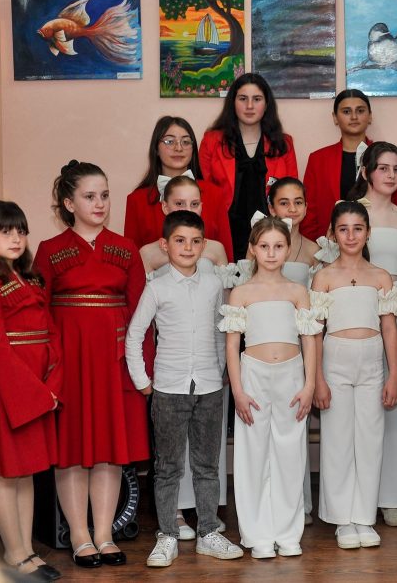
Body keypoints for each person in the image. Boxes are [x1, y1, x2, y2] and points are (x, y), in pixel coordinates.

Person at [34, 161, 149, 568]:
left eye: (104, 195)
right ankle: (80, 536)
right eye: (89, 196)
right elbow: (38, 314)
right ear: (69, 203)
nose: (99, 203)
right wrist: (47, 368)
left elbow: (141, 313)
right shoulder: (49, 250)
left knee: (110, 449)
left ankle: (104, 534)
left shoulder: (126, 248)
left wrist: (141, 369)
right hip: (69, 362)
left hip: (113, 360)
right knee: (71, 447)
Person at [124, 210, 243, 567]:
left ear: (203, 245)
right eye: (180, 241)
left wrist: (220, 371)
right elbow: (135, 335)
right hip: (168, 388)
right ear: (165, 245)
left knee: (207, 465)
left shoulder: (213, 285)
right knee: (168, 467)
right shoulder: (157, 287)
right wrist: (143, 382)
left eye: (195, 241)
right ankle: (167, 535)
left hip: (208, 387)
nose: (188, 248)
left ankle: (208, 531)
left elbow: (221, 331)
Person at [0, 201, 62, 581]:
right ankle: (15, 553)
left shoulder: (30, 278)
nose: (15, 238)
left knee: (27, 472)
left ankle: (26, 550)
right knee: (7, 474)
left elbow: (51, 334)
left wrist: (52, 385)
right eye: (5, 231)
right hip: (9, 393)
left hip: (38, 389)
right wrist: (36, 395)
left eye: (20, 231)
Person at [138, 177, 233, 540]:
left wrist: (222, 367)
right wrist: (144, 378)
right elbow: (141, 329)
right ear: (165, 207)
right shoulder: (150, 258)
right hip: (171, 371)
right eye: (180, 204)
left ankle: (207, 521)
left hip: (207, 370)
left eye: (195, 204)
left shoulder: (215, 254)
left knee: (207, 456)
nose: (188, 210)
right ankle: (172, 519)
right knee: (170, 458)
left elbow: (222, 319)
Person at [218, 216, 319, 559]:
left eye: (278, 246)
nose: (271, 253)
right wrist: (238, 390)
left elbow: (309, 340)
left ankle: (288, 532)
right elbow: (232, 345)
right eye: (264, 246)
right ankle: (258, 533)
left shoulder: (297, 292)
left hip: (291, 376)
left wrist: (309, 384)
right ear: (253, 249)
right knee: (253, 455)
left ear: (288, 249)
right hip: (253, 376)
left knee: (290, 455)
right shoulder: (241, 293)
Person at [340, 142, 397, 527]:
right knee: (355, 416)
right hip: (356, 317)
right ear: (366, 171)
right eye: (383, 168)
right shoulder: (349, 212)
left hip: (396, 318)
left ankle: (391, 495)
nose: (390, 175)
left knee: (393, 405)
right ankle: (355, 499)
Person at [311, 201, 397, 549]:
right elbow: (314, 332)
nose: (351, 236)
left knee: (369, 438)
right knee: (337, 439)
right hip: (335, 360)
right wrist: (317, 379)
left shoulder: (381, 277)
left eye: (358, 228)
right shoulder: (323, 277)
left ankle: (364, 516)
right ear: (333, 234)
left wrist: (393, 374)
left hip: (371, 362)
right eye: (343, 229)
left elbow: (390, 328)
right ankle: (342, 519)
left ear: (368, 233)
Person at [199, 73, 298, 259]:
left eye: (257, 99)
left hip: (270, 235)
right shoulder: (212, 141)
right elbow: (205, 192)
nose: (250, 106)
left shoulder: (283, 144)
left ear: (266, 104)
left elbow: (291, 191)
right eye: (243, 99)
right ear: (233, 103)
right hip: (225, 232)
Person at [300, 90, 397, 240]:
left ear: (370, 116)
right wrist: (320, 247)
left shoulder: (388, 156)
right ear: (335, 117)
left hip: (380, 241)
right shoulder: (318, 159)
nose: (354, 117)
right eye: (346, 111)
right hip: (330, 244)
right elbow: (309, 212)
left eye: (360, 111)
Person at [124, 115, 233, 261]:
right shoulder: (137, 200)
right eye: (169, 141)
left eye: (186, 142)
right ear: (156, 148)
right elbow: (131, 261)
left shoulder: (215, 194)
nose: (178, 148)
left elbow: (227, 257)